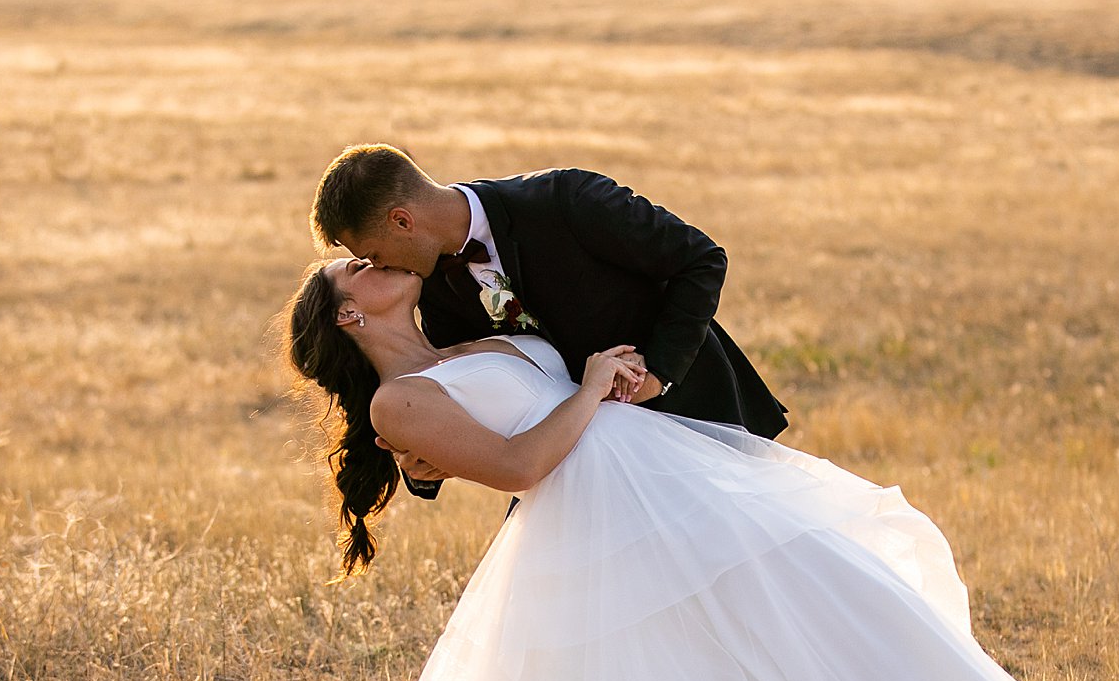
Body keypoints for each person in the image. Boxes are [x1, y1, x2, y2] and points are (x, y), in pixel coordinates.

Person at [282, 257, 1104, 681]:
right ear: (349, 312)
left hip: (672, 480)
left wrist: (617, 371)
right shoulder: (399, 400)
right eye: (351, 266)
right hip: (597, 522)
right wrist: (590, 384)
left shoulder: (472, 334)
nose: (371, 256)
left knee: (838, 600)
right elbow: (521, 465)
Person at [308, 144, 786, 498]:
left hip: (696, 418)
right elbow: (466, 402)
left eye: (373, 254)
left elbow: (700, 260)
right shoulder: (432, 284)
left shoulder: (565, 199)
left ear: (402, 221)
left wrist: (657, 375)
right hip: (582, 477)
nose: (383, 266)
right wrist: (424, 461)